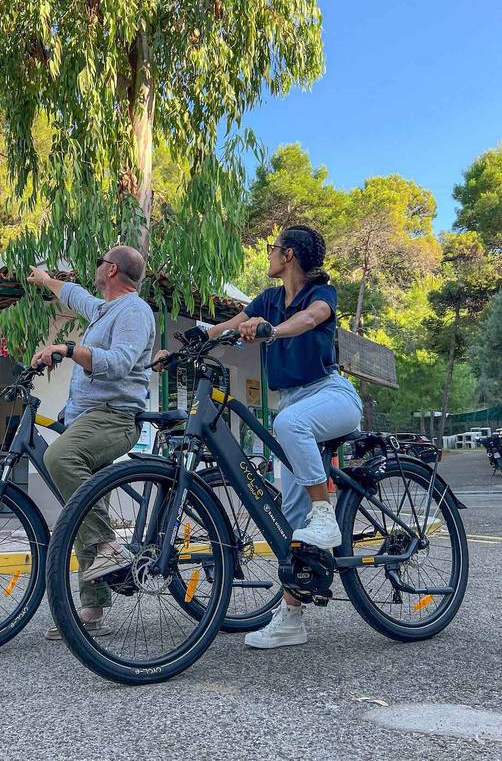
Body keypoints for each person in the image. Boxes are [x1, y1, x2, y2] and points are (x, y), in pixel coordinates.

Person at [155, 225, 362, 650]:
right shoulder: (268, 299)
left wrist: (272, 331)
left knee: (290, 427)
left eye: (272, 250)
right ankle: (291, 618)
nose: (268, 256)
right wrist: (191, 340)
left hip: (330, 394)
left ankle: (326, 515)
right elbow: (231, 323)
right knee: (291, 524)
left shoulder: (320, 295)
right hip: (293, 404)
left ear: (288, 256)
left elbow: (311, 320)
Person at [27, 246, 156, 640]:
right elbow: (75, 294)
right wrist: (46, 280)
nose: (95, 266)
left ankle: (107, 547)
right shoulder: (103, 309)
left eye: (100, 261)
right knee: (82, 504)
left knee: (60, 458)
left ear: (112, 269)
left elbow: (119, 362)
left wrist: (66, 349)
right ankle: (93, 609)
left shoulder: (134, 311)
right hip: (87, 419)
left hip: (114, 417)